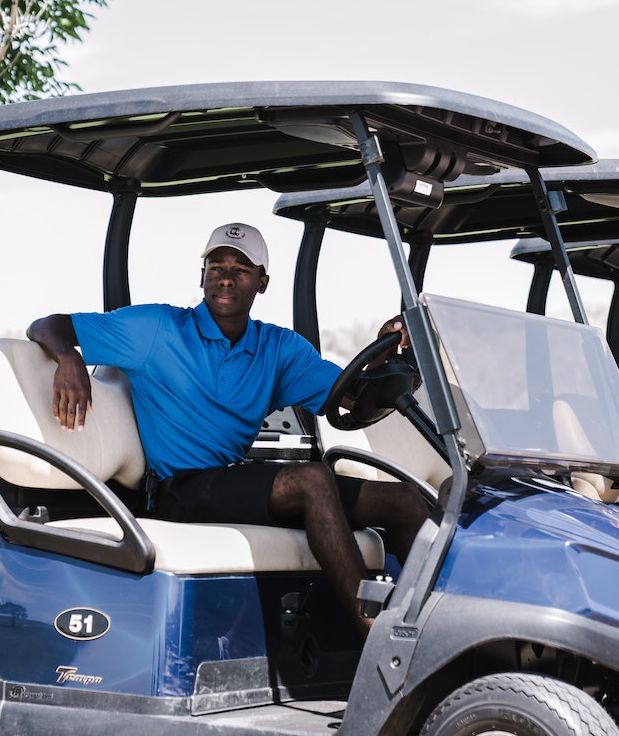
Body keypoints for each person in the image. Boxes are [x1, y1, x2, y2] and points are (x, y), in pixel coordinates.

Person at [27, 222, 429, 636]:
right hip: (178, 489)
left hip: (231, 484)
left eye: (241, 269)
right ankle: (376, 634)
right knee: (313, 479)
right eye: (216, 265)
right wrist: (67, 358)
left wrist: (385, 358)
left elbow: (351, 398)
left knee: (404, 499)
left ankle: (429, 625)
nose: (225, 276)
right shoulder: (156, 329)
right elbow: (47, 325)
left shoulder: (279, 349)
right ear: (202, 276)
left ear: (262, 282)